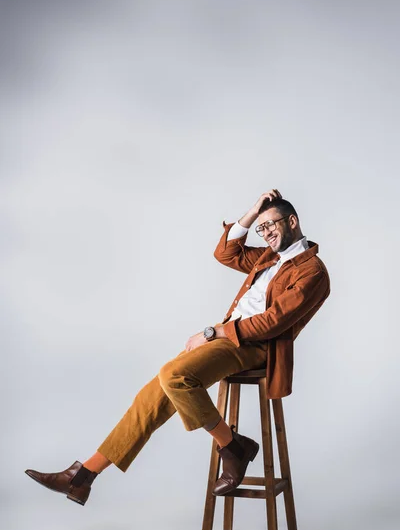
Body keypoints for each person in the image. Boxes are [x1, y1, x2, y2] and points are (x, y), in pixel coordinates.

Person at [25, 189, 330, 506]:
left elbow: (271, 323)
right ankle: (83, 476)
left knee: (173, 375)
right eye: (261, 228)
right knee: (153, 393)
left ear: (292, 221)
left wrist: (213, 333)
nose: (265, 233)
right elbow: (225, 252)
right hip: (229, 338)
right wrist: (254, 210)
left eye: (271, 225)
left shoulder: (312, 271)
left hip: (255, 346)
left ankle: (233, 447)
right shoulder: (269, 257)